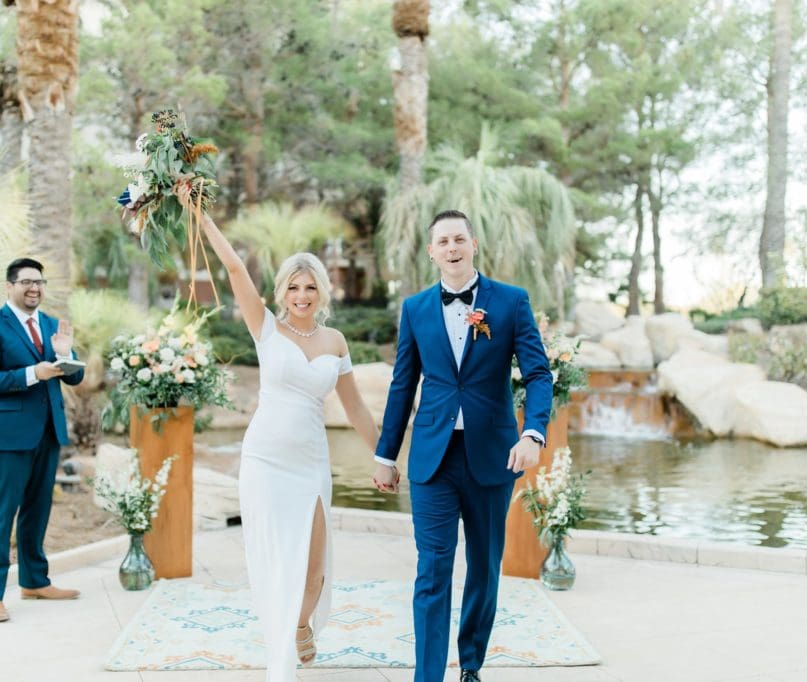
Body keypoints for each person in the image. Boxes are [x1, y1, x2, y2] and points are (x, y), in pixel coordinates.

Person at [198, 215, 391, 680]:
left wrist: (386, 459)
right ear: (281, 292)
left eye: (310, 289)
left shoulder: (336, 341)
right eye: (293, 288)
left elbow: (358, 410)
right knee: (272, 560)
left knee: (313, 570)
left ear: (321, 292)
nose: (301, 297)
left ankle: (301, 623)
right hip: (264, 460)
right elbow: (235, 270)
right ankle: (280, 655)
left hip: (310, 465)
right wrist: (199, 214)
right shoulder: (264, 328)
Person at [372, 210, 553, 682]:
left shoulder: (511, 302)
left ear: (473, 243)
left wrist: (533, 434)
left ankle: (471, 666)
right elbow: (402, 385)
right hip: (432, 460)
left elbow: (537, 374)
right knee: (432, 572)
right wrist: (385, 455)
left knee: (483, 569)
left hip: (493, 456)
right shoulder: (414, 309)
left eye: (459, 239)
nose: (451, 248)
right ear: (431, 251)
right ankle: (427, 676)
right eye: (442, 242)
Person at [0, 258, 85, 623]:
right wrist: (32, 373)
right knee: (1, 515)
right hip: (7, 436)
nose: (34, 288)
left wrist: (65, 353)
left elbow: (74, 379)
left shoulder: (52, 325)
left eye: (39, 281)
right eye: (26, 282)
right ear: (9, 286)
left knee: (38, 511)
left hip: (48, 432)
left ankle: (35, 581)